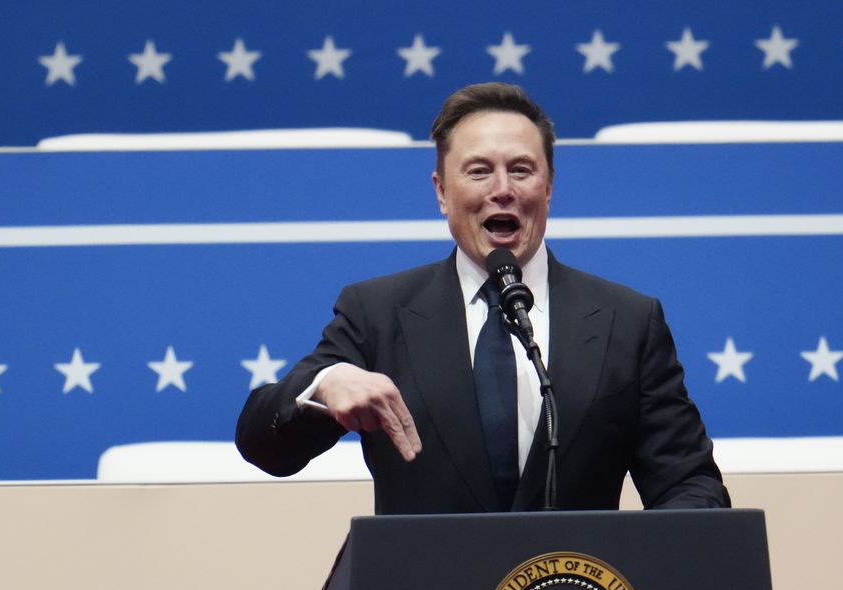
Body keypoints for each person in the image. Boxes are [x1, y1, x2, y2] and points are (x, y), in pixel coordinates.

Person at [235, 82, 729, 513]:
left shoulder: (628, 320)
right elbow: (266, 448)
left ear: (549, 187)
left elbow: (689, 483)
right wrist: (322, 384)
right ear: (442, 192)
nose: (502, 190)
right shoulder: (378, 313)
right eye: (478, 171)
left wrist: (650, 562)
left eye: (521, 170)